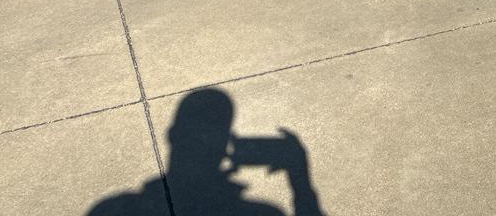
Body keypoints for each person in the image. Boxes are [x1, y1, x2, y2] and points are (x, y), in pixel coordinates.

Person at [88, 89, 323, 216]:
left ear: (172, 135)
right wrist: (300, 179)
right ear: (226, 147)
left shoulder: (111, 209)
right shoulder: (263, 213)